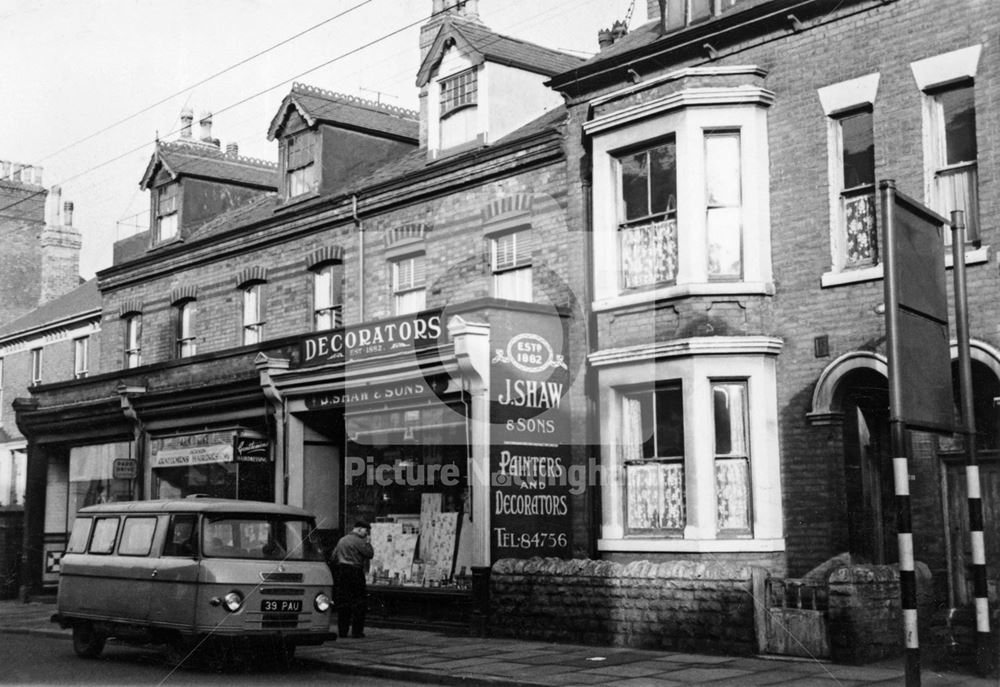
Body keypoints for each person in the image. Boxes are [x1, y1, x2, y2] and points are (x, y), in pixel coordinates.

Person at [332, 521, 374, 638]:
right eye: (366, 531)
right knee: (359, 602)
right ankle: (357, 631)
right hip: (355, 571)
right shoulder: (360, 541)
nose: (367, 533)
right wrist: (369, 543)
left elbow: (333, 556)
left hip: (342, 571)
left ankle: (342, 631)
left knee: (344, 602)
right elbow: (369, 554)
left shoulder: (342, 540)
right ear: (359, 529)